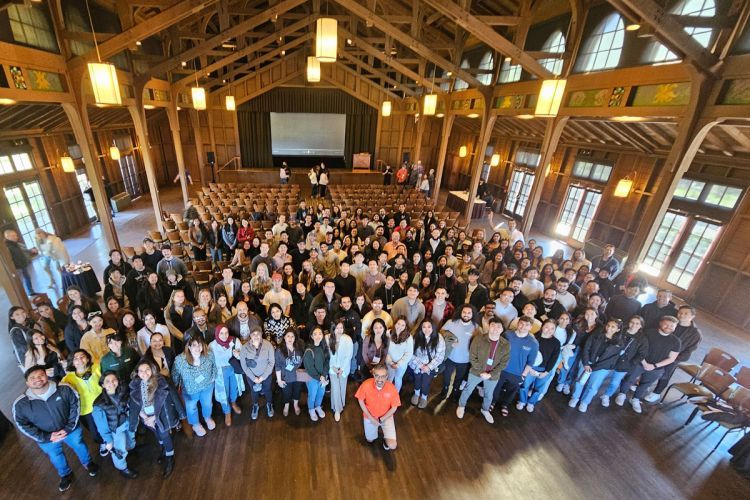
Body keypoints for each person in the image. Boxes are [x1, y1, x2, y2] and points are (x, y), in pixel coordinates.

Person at [13, 366, 99, 492]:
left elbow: (75, 404)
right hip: (47, 438)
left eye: (40, 375)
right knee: (55, 456)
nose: (37, 379)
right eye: (32, 378)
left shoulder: (64, 388)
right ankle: (65, 474)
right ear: (27, 383)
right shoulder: (20, 404)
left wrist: (69, 427)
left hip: (71, 430)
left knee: (80, 445)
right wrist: (46, 437)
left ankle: (88, 463)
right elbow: (21, 424)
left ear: (46, 376)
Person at [128, 359, 184, 478]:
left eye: (147, 369)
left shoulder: (162, 381)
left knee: (164, 434)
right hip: (146, 417)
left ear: (152, 370)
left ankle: (170, 456)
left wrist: (154, 417)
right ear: (137, 372)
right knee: (156, 433)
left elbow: (174, 397)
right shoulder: (135, 385)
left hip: (161, 416)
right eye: (141, 371)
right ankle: (163, 448)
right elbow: (134, 404)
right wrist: (144, 417)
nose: (144, 373)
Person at [618, 316, 681, 414]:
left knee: (645, 384)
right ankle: (622, 394)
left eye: (672, 326)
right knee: (629, 378)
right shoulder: (648, 333)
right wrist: (644, 363)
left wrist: (654, 366)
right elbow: (637, 348)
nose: (668, 327)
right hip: (640, 361)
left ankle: (635, 399)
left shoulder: (676, 341)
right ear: (660, 323)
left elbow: (671, 358)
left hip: (657, 367)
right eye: (666, 324)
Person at [645, 305, 702, 403]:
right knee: (650, 369)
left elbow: (690, 349)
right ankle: (645, 384)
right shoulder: (671, 323)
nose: (682, 315)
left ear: (692, 316)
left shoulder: (695, 333)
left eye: (685, 313)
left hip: (674, 357)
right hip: (659, 352)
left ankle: (657, 393)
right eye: (680, 313)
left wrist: (675, 358)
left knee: (665, 374)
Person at [568, 319, 624, 412]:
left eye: (613, 327)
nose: (609, 328)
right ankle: (575, 398)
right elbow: (587, 347)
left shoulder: (619, 343)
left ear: (618, 330)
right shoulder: (597, 334)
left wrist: (593, 368)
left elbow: (611, 359)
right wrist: (586, 363)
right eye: (608, 325)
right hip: (587, 362)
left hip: (601, 368)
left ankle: (585, 402)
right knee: (580, 381)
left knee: (593, 386)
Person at [92, 371, 137, 479]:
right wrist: (108, 440)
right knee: (119, 450)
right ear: (102, 384)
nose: (111, 383)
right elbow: (101, 426)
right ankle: (122, 468)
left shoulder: (122, 392)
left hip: (127, 422)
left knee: (131, 439)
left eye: (114, 380)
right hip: (115, 429)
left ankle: (129, 451)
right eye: (107, 381)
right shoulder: (98, 404)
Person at [491, 316, 539, 418]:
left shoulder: (533, 343)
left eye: (527, 325)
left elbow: (530, 362)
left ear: (530, 327)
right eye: (521, 323)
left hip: (517, 373)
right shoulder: (507, 335)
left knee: (511, 391)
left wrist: (523, 376)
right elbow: (497, 350)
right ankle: (492, 402)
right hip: (501, 369)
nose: (523, 326)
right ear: (518, 324)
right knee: (495, 387)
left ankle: (504, 405)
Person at [62, 349, 106, 455]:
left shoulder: (96, 367)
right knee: (94, 432)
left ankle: (111, 441)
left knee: (107, 424)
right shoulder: (69, 378)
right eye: (75, 358)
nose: (79, 360)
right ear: (72, 362)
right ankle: (102, 443)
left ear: (87, 358)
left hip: (103, 403)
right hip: (85, 410)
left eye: (82, 356)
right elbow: (60, 388)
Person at [172, 336, 218, 437]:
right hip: (190, 391)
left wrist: (213, 377)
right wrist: (175, 387)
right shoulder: (180, 360)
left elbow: (214, 366)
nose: (197, 348)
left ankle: (207, 417)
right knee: (191, 408)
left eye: (200, 345)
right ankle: (196, 424)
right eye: (194, 345)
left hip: (207, 386)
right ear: (188, 347)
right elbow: (175, 375)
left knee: (207, 404)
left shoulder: (209, 354)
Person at [355, 363, 401, 451]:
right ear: (373, 375)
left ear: (387, 376)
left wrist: (381, 419)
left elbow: (394, 408)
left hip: (386, 417)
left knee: (392, 445)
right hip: (370, 417)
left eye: (383, 376)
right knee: (370, 440)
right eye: (377, 376)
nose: (380, 379)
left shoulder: (392, 388)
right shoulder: (365, 385)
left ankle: (385, 441)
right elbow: (360, 400)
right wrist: (371, 418)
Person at [518, 320, 561, 413]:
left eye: (552, 328)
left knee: (538, 388)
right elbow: (526, 353)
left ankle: (531, 403)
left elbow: (554, 359)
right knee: (524, 385)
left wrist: (546, 372)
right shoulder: (533, 338)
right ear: (542, 327)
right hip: (530, 367)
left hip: (544, 370)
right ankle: (522, 401)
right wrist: (528, 368)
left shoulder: (556, 343)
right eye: (546, 327)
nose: (549, 330)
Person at [440, 305, 482, 398]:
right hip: (450, 357)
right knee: (446, 376)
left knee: (459, 378)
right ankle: (445, 389)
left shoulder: (477, 328)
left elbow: (480, 343)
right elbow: (442, 332)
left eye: (469, 313)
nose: (466, 315)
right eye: (464, 312)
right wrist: (451, 340)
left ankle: (455, 391)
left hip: (465, 359)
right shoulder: (451, 322)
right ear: (460, 312)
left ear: (472, 314)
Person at [209, 324, 243, 426]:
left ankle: (233, 403)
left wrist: (238, 355)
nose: (224, 335)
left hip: (233, 368)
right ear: (217, 333)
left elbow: (242, 355)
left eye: (226, 332)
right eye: (221, 333)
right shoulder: (211, 345)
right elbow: (209, 362)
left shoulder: (234, 341)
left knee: (234, 388)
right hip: (220, 372)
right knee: (223, 392)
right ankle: (227, 412)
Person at [408, 320, 446, 409]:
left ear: (433, 327)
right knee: (417, 379)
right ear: (421, 328)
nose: (426, 329)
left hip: (430, 366)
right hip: (417, 364)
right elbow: (410, 353)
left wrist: (428, 367)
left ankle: (424, 397)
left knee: (426, 382)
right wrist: (420, 365)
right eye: (424, 327)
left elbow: (440, 356)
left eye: (429, 326)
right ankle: (416, 394)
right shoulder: (416, 337)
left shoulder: (439, 338)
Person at [240, 329, 275, 420]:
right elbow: (243, 365)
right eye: (253, 334)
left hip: (266, 375)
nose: (256, 336)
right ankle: (255, 405)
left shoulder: (268, 345)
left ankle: (269, 404)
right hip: (252, 377)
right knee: (254, 391)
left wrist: (263, 377)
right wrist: (253, 378)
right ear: (250, 335)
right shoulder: (245, 347)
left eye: (258, 334)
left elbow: (271, 362)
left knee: (268, 390)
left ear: (261, 334)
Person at [327, 320, 353, 421]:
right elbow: (327, 355)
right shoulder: (327, 338)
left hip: (343, 368)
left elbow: (348, 356)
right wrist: (332, 366)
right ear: (333, 328)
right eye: (337, 328)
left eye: (341, 328)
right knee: (335, 387)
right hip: (332, 368)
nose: (339, 330)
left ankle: (337, 405)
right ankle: (337, 410)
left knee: (342, 387)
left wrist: (342, 368)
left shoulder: (347, 339)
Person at [303, 326, 330, 421]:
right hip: (312, 378)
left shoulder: (324, 347)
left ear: (323, 335)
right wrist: (320, 377)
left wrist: (324, 374)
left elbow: (327, 361)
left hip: (323, 376)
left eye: (320, 333)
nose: (318, 336)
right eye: (315, 334)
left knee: (321, 393)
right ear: (311, 336)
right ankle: (311, 409)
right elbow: (309, 368)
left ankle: (318, 406)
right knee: (312, 394)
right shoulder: (309, 349)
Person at [5, 228, 38, 294]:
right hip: (17, 268)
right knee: (19, 282)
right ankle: (22, 295)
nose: (16, 237)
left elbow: (23, 250)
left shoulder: (15, 243)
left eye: (16, 235)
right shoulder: (7, 247)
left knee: (27, 278)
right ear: (8, 237)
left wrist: (30, 251)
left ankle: (31, 291)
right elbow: (8, 259)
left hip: (23, 264)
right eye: (13, 236)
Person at [385, 318, 413, 392]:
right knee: (389, 377)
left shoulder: (409, 337)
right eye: (398, 324)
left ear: (405, 327)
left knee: (398, 379)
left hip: (401, 364)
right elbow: (385, 348)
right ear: (395, 324)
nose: (399, 326)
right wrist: (390, 362)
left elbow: (409, 353)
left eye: (403, 325)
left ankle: (396, 394)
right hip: (389, 361)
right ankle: (387, 392)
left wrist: (398, 364)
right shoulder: (388, 333)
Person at [9, 306, 35, 371]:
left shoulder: (28, 324)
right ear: (12, 317)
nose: (21, 315)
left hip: (35, 354)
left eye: (23, 312)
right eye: (17, 314)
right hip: (29, 359)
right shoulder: (16, 330)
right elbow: (24, 349)